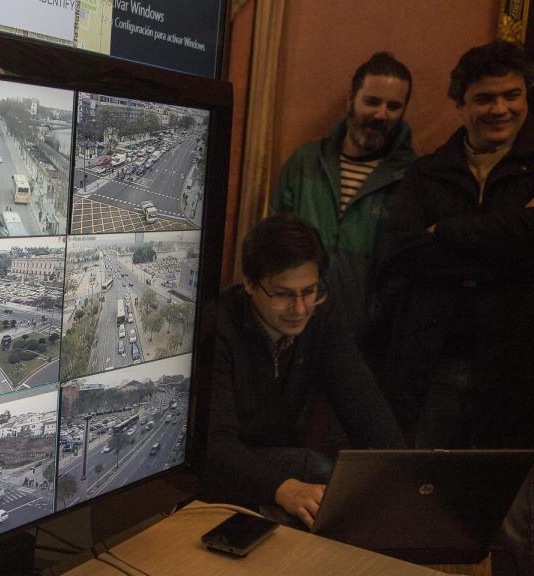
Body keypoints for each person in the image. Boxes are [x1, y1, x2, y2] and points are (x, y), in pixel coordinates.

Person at [382, 40, 534, 575]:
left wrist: (446, 232)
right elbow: (400, 252)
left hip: (517, 372)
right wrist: (507, 250)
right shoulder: (427, 174)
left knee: (513, 520)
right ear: (461, 103)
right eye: (484, 98)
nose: (500, 109)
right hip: (436, 367)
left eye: (512, 95)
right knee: (423, 503)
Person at [202, 213, 404, 528]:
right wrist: (282, 488)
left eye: (309, 291)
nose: (299, 309)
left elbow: (364, 405)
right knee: (315, 470)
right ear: (250, 284)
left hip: (282, 456)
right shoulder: (218, 325)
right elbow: (214, 445)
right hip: (222, 465)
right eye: (283, 294)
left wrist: (402, 473)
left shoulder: (322, 316)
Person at [271, 52, 415, 358]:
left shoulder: (412, 179)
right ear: (351, 99)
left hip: (367, 346)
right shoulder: (305, 162)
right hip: (294, 335)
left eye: (393, 106)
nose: (381, 114)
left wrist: (374, 314)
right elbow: (274, 244)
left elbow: (407, 269)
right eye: (372, 101)